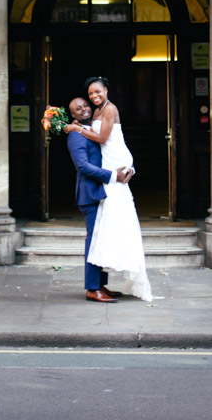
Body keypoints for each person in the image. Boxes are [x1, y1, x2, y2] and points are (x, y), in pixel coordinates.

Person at [65, 77, 153, 302]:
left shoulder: (94, 119)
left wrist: (127, 166)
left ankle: (101, 286)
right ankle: (92, 288)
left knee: (102, 239)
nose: (86, 106)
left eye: (85, 104)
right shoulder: (76, 135)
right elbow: (84, 167)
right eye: (79, 108)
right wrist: (114, 175)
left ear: (105, 90)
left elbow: (109, 143)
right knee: (94, 240)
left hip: (102, 189)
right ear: (72, 116)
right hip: (91, 192)